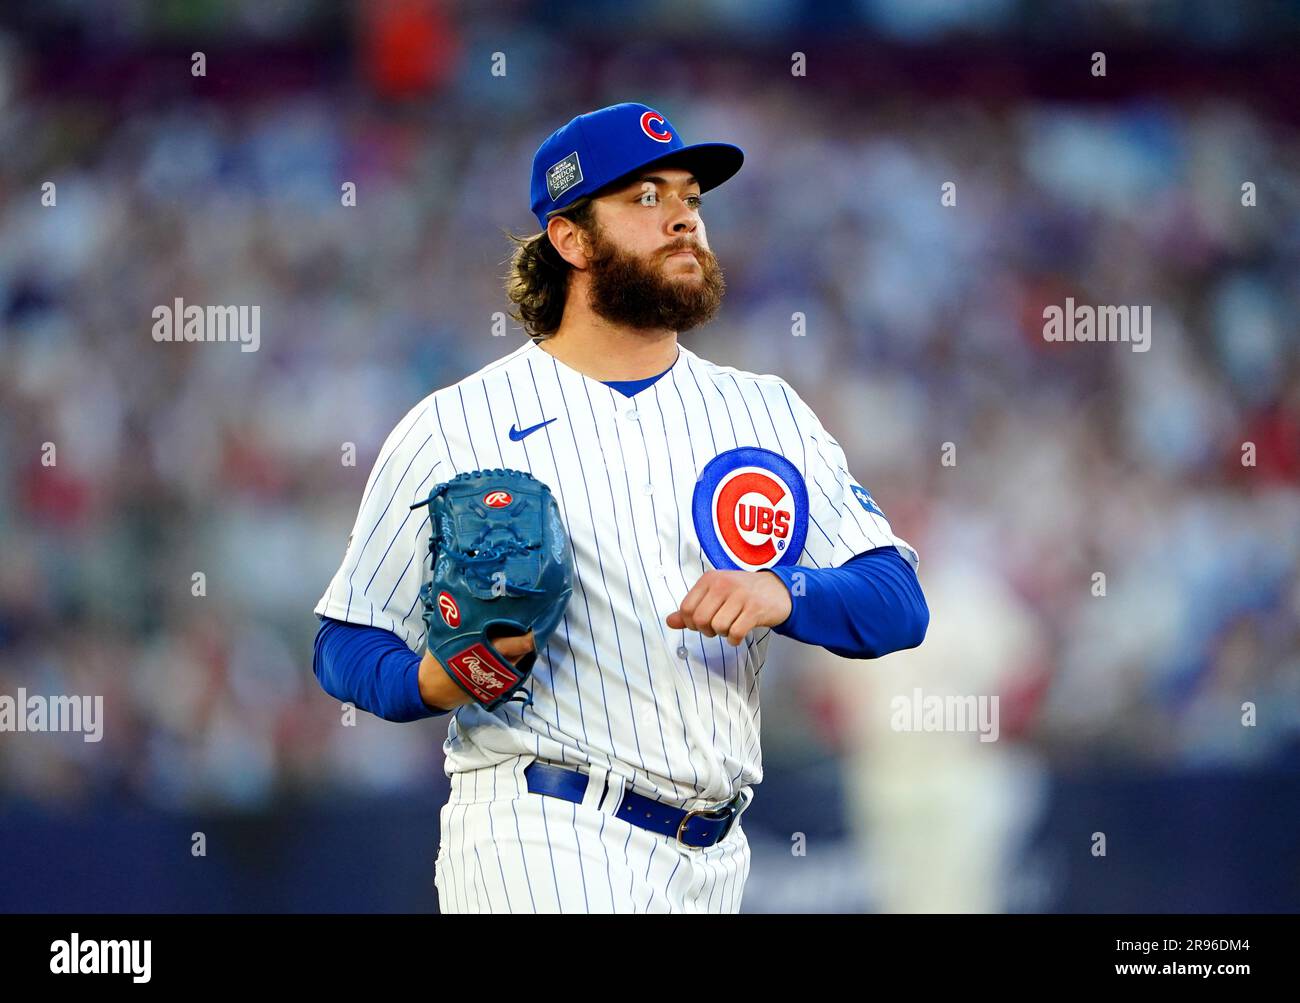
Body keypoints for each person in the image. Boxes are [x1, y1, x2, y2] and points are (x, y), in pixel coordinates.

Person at [311, 102, 928, 913]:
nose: (681, 218)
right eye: (645, 197)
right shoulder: (454, 424)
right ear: (569, 239)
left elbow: (898, 603)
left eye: (691, 198)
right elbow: (346, 636)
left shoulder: (765, 410)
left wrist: (786, 591)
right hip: (540, 824)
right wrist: (428, 682)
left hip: (714, 852)